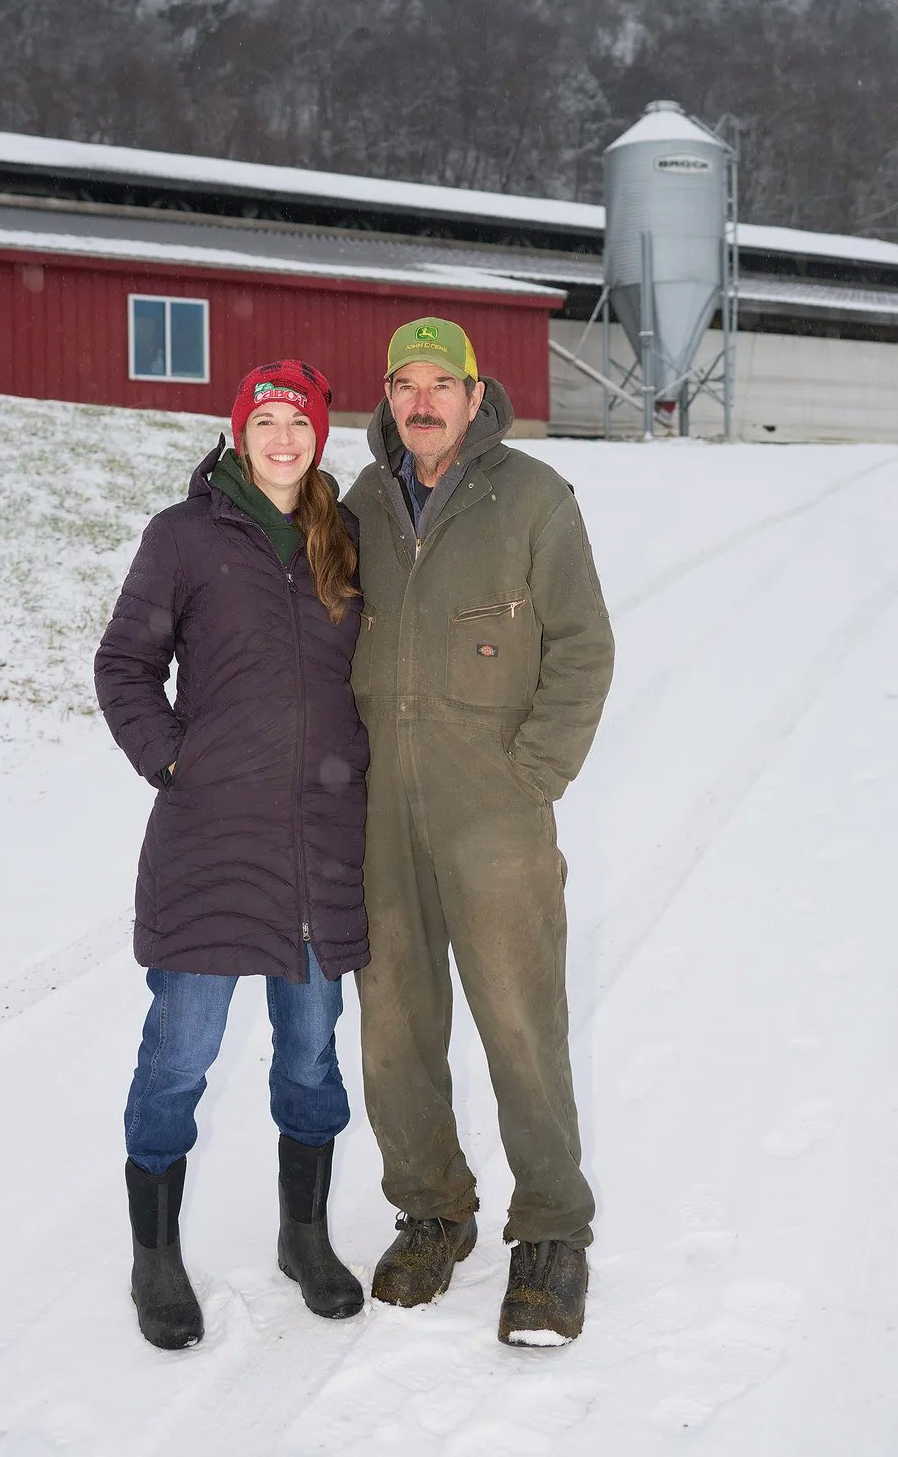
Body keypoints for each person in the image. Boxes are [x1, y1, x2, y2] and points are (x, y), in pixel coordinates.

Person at [344, 317, 615, 1347]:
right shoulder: (361, 504)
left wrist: (532, 775)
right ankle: (431, 1210)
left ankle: (551, 1233)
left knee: (520, 1024)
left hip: (493, 816)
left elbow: (583, 647)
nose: (421, 403)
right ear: (388, 397)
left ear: (472, 394)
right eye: (403, 384)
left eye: (439, 384)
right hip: (379, 814)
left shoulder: (534, 498)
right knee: (393, 1029)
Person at [94, 360, 369, 1350]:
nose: (283, 439)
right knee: (180, 1056)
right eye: (266, 422)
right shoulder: (184, 536)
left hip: (321, 848)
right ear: (240, 433)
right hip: (209, 843)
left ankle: (304, 1235)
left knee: (311, 1056)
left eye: (299, 422)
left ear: (319, 435)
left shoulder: (345, 538)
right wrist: (175, 761)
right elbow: (125, 664)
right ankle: (155, 1255)